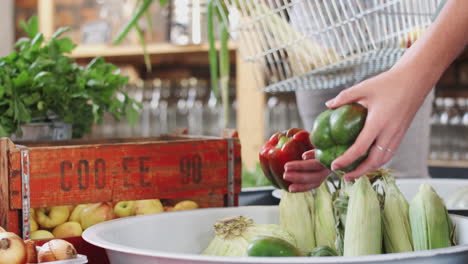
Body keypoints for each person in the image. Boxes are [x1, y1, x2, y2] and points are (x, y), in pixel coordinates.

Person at [284, 0, 468, 193]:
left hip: (395, 35)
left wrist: (411, 77)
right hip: (315, 42)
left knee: (399, 183)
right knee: (328, 185)